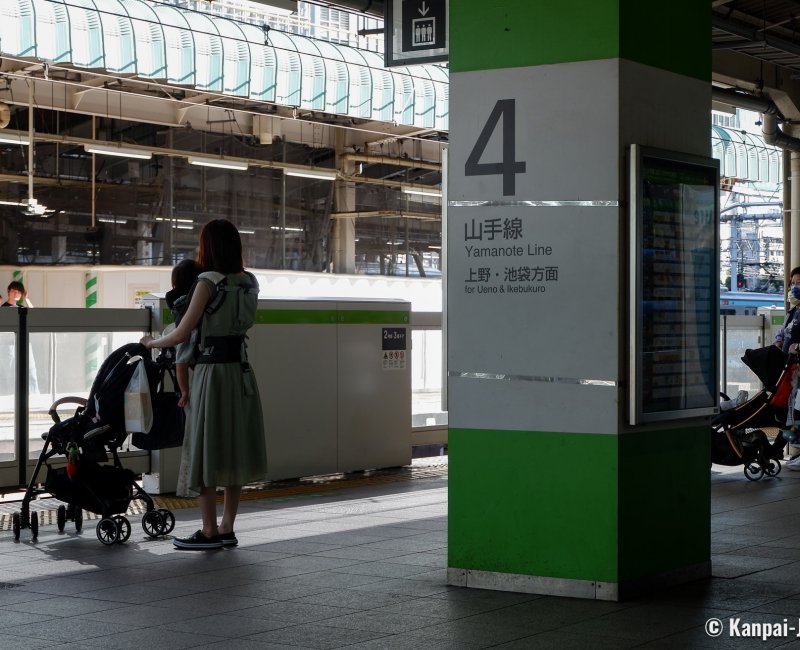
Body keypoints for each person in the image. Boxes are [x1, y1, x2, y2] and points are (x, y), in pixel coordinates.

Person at [140, 219, 266, 550]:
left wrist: (152, 342)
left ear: (206, 247)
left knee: (204, 448)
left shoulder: (207, 282)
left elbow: (181, 333)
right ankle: (227, 527)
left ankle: (208, 530)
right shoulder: (250, 281)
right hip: (241, 372)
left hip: (212, 374)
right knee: (235, 447)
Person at [165, 259, 202, 408]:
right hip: (197, 330)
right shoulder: (201, 290)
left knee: (181, 362)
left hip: (183, 330)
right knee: (184, 361)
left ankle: (184, 391)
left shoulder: (170, 296)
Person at [774, 267, 800, 350]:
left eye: (799, 283)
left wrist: (797, 347)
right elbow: (783, 331)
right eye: (793, 283)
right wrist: (778, 341)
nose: (795, 287)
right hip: (786, 359)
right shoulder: (792, 312)